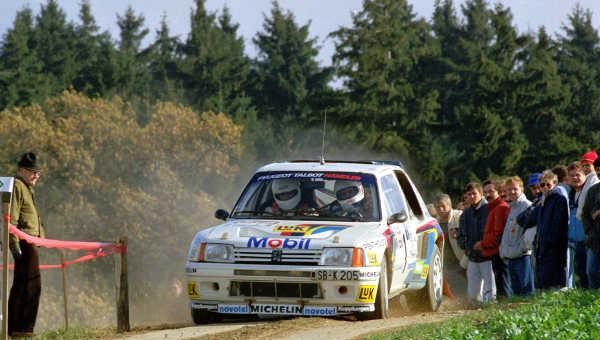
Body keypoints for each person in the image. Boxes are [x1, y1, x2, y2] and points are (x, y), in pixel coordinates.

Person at [8, 152, 45, 337]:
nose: (36, 175)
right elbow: (11, 218)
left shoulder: (26, 187)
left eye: (38, 172)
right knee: (31, 286)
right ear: (21, 170)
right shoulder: (17, 186)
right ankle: (22, 330)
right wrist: (15, 247)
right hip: (24, 243)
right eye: (32, 171)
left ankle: (18, 329)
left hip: (30, 242)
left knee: (24, 285)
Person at [523, 170, 569, 290]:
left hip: (554, 247)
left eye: (548, 184)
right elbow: (530, 220)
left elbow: (558, 225)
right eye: (542, 185)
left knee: (555, 283)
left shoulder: (559, 199)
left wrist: (549, 242)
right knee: (543, 282)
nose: (545, 187)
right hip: (542, 247)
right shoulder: (544, 201)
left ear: (555, 184)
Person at [457, 182, 495, 304]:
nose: (472, 196)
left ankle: (490, 306)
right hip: (472, 256)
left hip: (487, 255)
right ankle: (474, 306)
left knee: (489, 286)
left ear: (481, 193)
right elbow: (461, 233)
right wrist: (465, 246)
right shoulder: (466, 213)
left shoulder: (489, 209)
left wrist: (484, 244)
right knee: (473, 289)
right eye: (469, 194)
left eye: (474, 193)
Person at [499, 176, 535, 296]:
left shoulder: (527, 206)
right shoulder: (512, 208)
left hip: (523, 256)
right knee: (517, 292)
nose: (511, 192)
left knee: (526, 292)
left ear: (522, 189)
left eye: (514, 189)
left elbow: (531, 231)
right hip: (512, 256)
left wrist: (523, 248)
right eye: (508, 190)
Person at [474, 180, 510, 297]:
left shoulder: (500, 208)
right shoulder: (493, 208)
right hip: (495, 252)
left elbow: (498, 235)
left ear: (499, 192)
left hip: (499, 253)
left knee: (503, 287)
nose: (487, 195)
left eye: (491, 191)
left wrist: (483, 244)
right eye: (485, 192)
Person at [566, 162, 588, 288]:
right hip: (575, 242)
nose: (575, 178)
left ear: (584, 175)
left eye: (578, 175)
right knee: (580, 274)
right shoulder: (570, 195)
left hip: (588, 241)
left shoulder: (589, 192)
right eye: (572, 176)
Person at [581, 173, 600, 288]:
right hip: (595, 238)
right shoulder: (593, 190)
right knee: (591, 271)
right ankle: (593, 300)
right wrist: (589, 231)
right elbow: (585, 214)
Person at [577, 151, 599, 222]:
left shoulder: (594, 179)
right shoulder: (588, 179)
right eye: (583, 166)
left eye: (588, 165)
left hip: (592, 220)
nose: (585, 168)